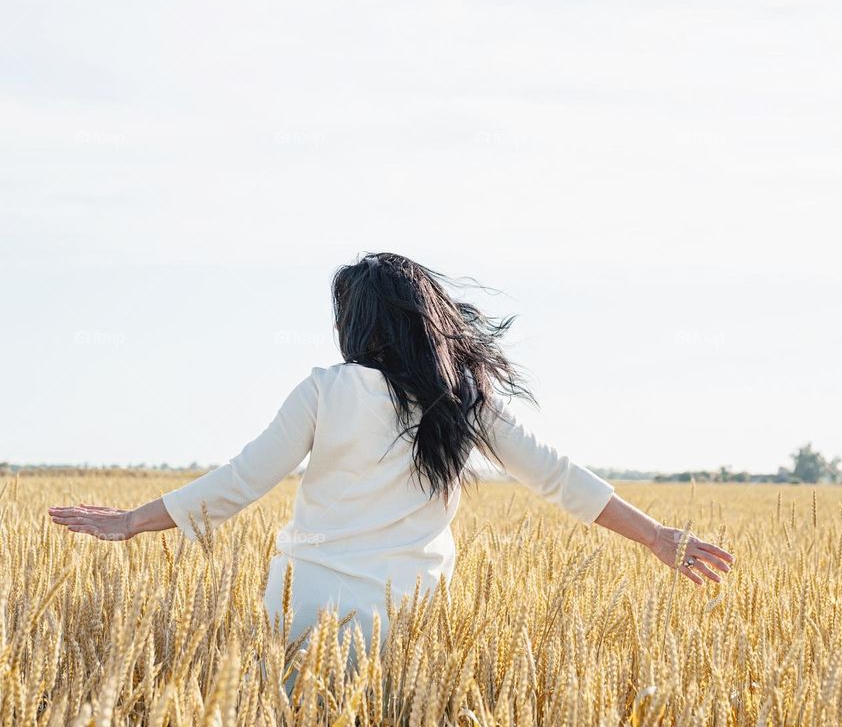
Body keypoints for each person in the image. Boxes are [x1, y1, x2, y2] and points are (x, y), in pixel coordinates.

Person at [48, 252, 733, 651]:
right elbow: (557, 478)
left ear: (357, 324)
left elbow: (240, 481)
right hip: (403, 624)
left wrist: (130, 521)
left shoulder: (325, 390)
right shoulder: (460, 400)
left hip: (301, 609)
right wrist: (656, 536)